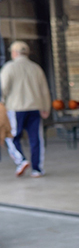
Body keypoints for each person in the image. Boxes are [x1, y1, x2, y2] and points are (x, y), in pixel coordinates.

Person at [0, 40, 51, 176]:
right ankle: (37, 169)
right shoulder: (36, 68)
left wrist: (1, 103)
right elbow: (44, 90)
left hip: (15, 109)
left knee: (12, 136)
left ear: (14, 53)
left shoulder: (9, 68)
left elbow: (2, 88)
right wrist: (46, 107)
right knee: (36, 138)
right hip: (35, 108)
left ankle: (21, 160)